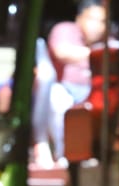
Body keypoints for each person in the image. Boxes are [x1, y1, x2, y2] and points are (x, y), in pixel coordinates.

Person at [31, 0, 109, 167]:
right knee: (58, 100)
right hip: (66, 90)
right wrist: (96, 54)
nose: (97, 26)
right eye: (92, 19)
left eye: (102, 21)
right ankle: (64, 154)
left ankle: (94, 155)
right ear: (79, 17)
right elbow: (61, 52)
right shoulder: (65, 29)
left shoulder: (108, 38)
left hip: (93, 93)